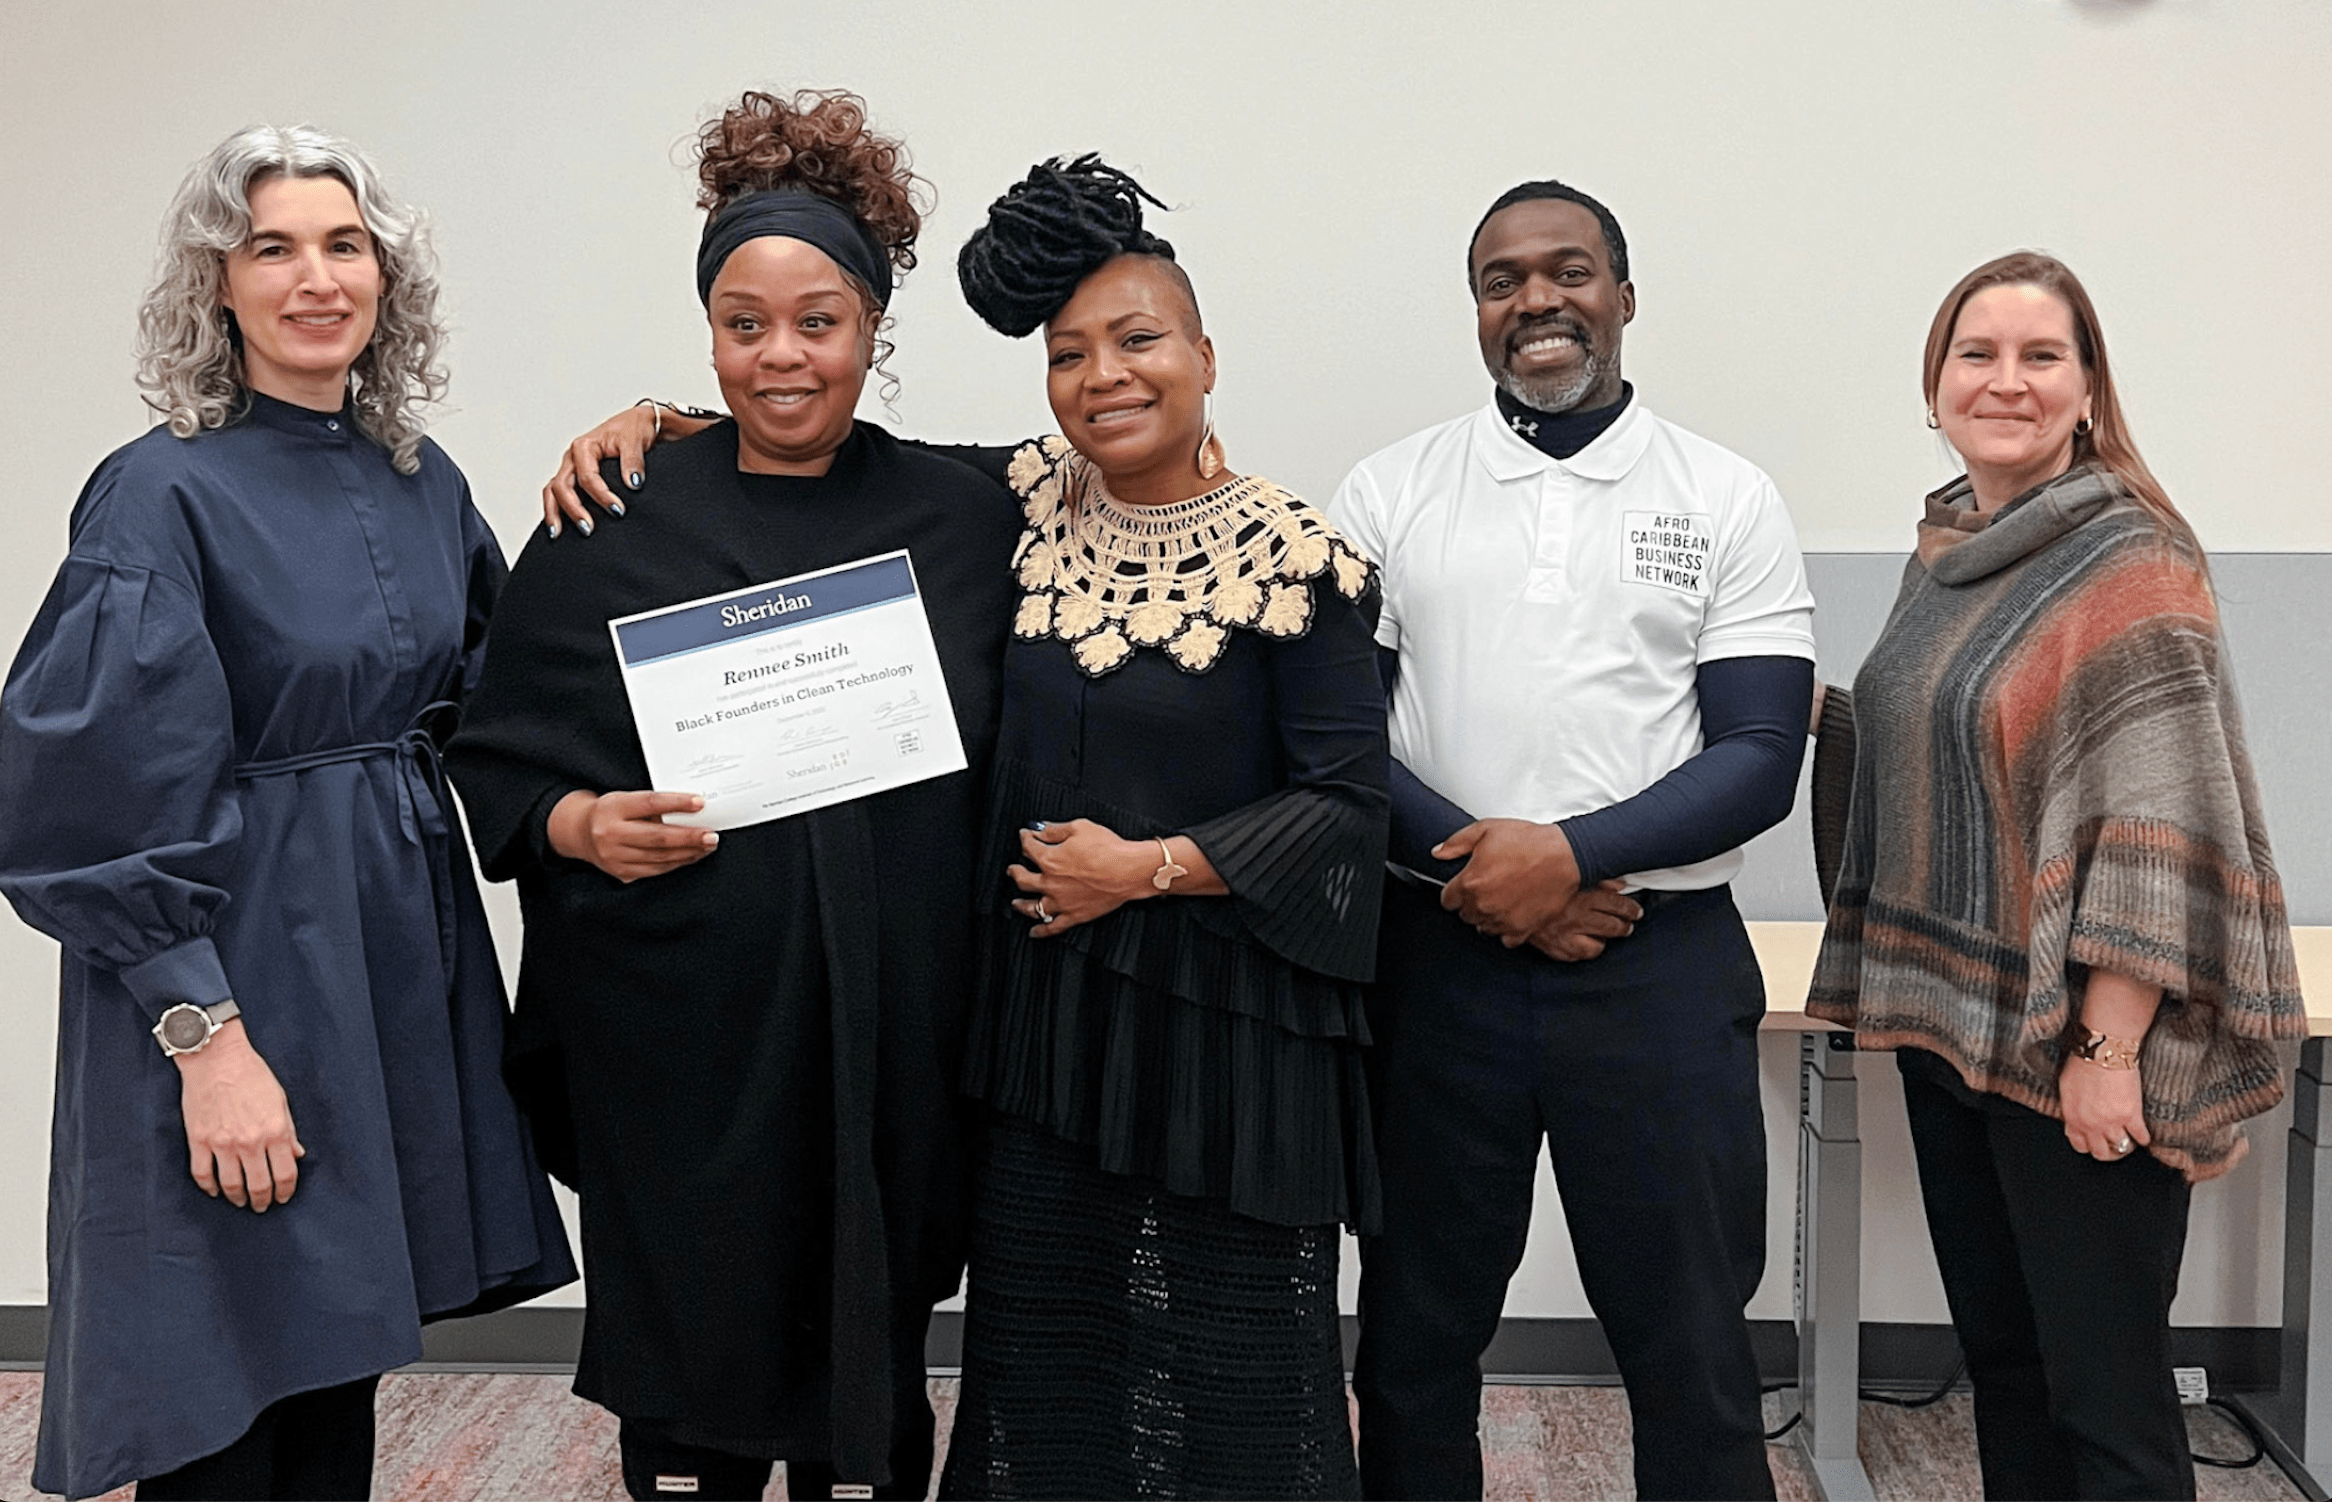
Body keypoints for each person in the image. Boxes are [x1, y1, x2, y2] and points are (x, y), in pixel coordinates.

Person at [443, 90, 1022, 1502]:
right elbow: (500, 741)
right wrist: (578, 824)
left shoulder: (969, 511)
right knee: (691, 1343)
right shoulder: (612, 515)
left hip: (889, 1023)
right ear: (706, 330)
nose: (781, 355)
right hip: (676, 1026)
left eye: (818, 320)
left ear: (874, 327)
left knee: (867, 1322)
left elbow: (1137, 460)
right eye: (743, 323)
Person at [0, 124, 576, 1502]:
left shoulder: (417, 478)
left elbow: (506, 700)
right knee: (216, 1368)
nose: (316, 277)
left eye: (344, 244)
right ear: (219, 285)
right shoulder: (160, 494)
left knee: (334, 1350)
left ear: (386, 278)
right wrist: (205, 1037)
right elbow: (89, 801)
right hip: (233, 970)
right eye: (274, 247)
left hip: (379, 965)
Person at [1325, 180, 1816, 1501]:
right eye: (1501, 278)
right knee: (1418, 1339)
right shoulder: (1389, 490)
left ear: (1626, 295)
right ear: (1477, 310)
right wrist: (1501, 880)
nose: (1536, 298)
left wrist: (1570, 857)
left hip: (1657, 973)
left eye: (1570, 270)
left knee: (1694, 1348)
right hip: (1440, 969)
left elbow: (1762, 756)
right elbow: (1340, 743)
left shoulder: (1725, 494)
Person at [920, 157, 1388, 1500]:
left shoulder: (1294, 553)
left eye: (1138, 341)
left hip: (1229, 1027)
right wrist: (662, 418)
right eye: (1071, 355)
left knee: (1243, 1362)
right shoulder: (1025, 505)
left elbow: (1347, 807)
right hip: (1052, 1021)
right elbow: (853, 466)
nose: (1104, 376)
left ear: (1204, 357)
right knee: (1047, 1350)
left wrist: (1151, 870)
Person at [1805, 252, 2304, 1501]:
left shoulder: (2130, 559)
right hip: (1954, 1022)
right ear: (1934, 387)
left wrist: (2110, 1048)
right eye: (1976, 354)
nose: (2006, 381)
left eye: (2041, 357)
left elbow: (2155, 815)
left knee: (2107, 1400)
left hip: (2077, 1041)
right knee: (2010, 1371)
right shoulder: (1947, 554)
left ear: (2087, 391)